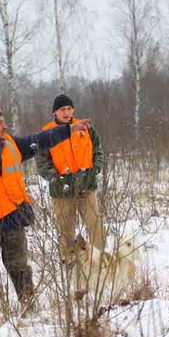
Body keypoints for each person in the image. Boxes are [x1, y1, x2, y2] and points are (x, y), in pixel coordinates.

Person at [0, 103, 91, 314]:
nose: (4, 125)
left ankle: (29, 306)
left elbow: (39, 140)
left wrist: (67, 130)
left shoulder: (11, 143)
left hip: (13, 216)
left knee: (20, 267)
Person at [36, 94, 104, 270]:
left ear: (73, 110)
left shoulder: (85, 127)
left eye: (69, 108)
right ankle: (69, 266)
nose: (66, 112)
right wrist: (55, 178)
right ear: (55, 112)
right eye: (62, 109)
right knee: (66, 232)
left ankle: (100, 262)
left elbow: (98, 150)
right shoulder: (46, 133)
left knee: (95, 226)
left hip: (86, 187)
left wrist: (95, 169)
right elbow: (41, 162)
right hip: (62, 191)